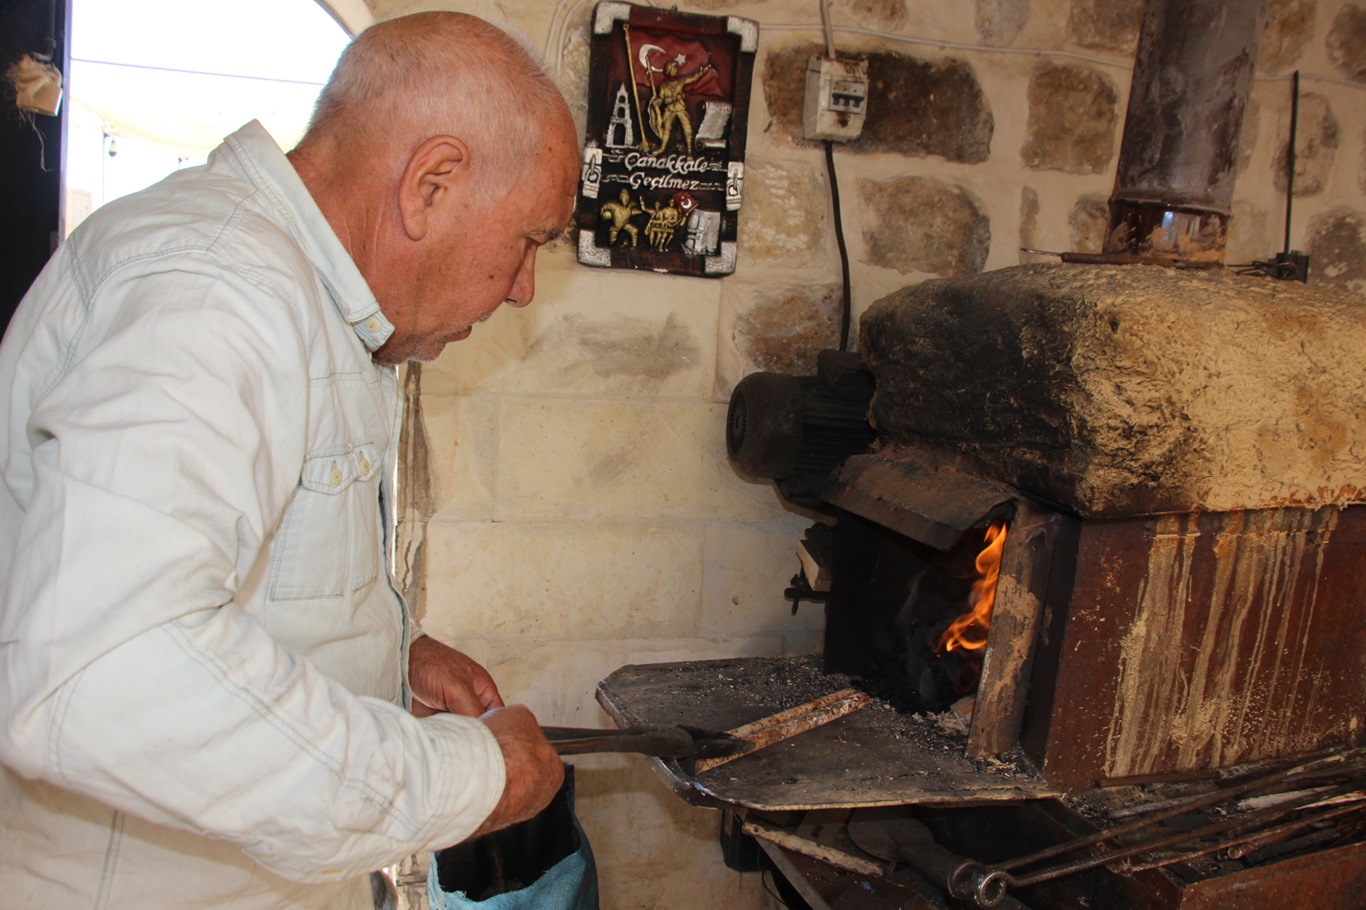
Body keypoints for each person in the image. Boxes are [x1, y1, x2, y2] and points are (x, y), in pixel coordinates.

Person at [0, 12, 578, 910]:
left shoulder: (296, 293)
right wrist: (466, 778)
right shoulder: (214, 288)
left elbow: (206, 571)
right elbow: (107, 666)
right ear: (431, 183)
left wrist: (377, 647)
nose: (522, 286)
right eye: (531, 240)